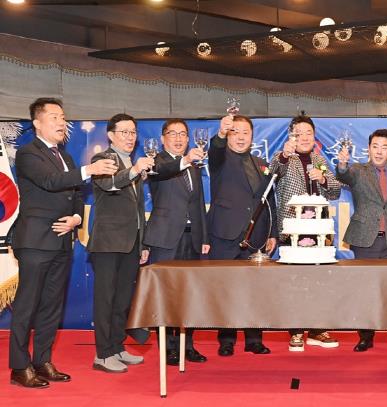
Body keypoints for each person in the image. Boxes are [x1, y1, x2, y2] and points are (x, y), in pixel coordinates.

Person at [9, 98, 117, 388]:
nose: (62, 122)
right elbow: (50, 181)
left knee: (52, 305)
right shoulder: (27, 153)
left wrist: (76, 218)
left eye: (63, 117)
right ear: (37, 123)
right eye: (55, 117)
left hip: (61, 240)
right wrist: (89, 170)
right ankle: (19, 367)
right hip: (35, 241)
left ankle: (42, 361)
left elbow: (76, 194)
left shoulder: (66, 157)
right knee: (27, 305)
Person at [87, 113, 154, 373]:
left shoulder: (131, 162)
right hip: (108, 242)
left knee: (123, 299)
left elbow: (138, 211)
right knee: (106, 299)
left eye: (133, 132)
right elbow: (109, 185)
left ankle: (117, 347)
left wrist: (143, 243)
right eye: (124, 132)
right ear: (111, 135)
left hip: (131, 242)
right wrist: (134, 170)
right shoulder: (102, 159)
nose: (130, 137)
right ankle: (102, 355)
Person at [269, 115, 341, 352]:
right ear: (291, 135)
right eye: (299, 133)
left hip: (318, 231)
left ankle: (318, 329)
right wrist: (284, 154)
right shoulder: (283, 157)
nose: (305, 137)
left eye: (309, 132)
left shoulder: (319, 159)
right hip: (293, 230)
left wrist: (323, 179)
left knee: (320, 282)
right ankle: (296, 330)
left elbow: (335, 191)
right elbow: (271, 172)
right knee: (294, 282)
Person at [336, 129, 387, 352]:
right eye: (375, 146)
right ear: (368, 149)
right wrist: (342, 164)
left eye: (384, 147)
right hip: (365, 240)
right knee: (365, 290)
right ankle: (366, 337)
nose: (379, 151)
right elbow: (343, 175)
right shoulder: (358, 170)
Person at [207, 114, 277, 357]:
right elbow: (215, 149)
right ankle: (226, 340)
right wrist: (220, 134)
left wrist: (273, 232)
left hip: (256, 237)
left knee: (254, 291)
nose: (240, 137)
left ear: (252, 136)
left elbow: (269, 200)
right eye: (234, 132)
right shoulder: (219, 159)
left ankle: (254, 340)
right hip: (225, 235)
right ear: (228, 135)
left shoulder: (261, 163)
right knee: (225, 290)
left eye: (245, 132)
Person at [143, 119, 209, 366]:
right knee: (167, 294)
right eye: (173, 134)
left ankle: (187, 345)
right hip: (165, 237)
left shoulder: (193, 166)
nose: (179, 138)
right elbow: (164, 171)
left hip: (192, 238)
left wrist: (204, 237)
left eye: (183, 134)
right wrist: (186, 160)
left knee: (189, 294)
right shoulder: (155, 162)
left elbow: (198, 204)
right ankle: (169, 347)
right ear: (163, 139)